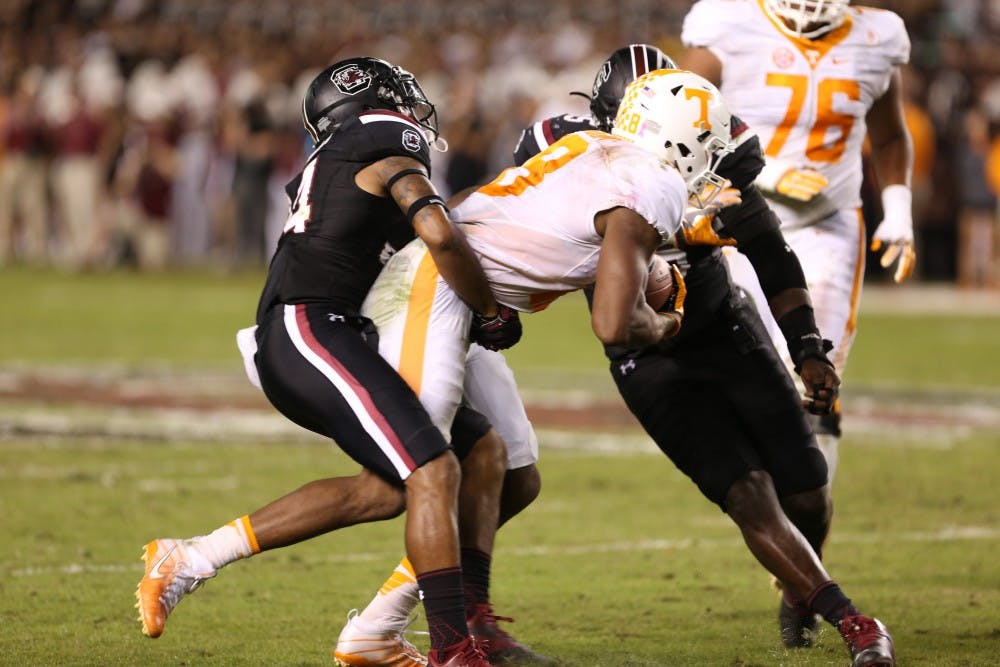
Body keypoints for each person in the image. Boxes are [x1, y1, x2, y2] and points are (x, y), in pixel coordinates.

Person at [341, 47, 895, 666]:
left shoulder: (696, 150)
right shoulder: (595, 155)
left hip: (720, 326)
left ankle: (803, 591)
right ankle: (424, 630)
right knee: (746, 494)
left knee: (807, 493)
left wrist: (807, 345)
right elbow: (519, 218)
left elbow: (768, 248)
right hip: (640, 349)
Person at [135, 56, 524, 667]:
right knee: (432, 469)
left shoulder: (339, 159)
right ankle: (455, 652)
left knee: (457, 462)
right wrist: (490, 309)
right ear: (369, 103)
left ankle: (194, 559)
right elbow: (439, 232)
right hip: (311, 327)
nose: (409, 108)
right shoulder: (381, 137)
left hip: (330, 331)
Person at [680, 0, 915, 484]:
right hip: (741, 226)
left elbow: (890, 137)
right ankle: (777, 505)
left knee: (814, 370)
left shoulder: (878, 37)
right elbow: (678, 126)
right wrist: (767, 174)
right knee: (756, 376)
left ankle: (808, 517)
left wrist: (898, 210)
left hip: (828, 224)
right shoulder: (728, 22)